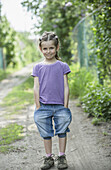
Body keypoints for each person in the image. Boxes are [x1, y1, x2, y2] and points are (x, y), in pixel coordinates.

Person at [31, 31, 72, 170]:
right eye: (45, 48)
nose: (48, 51)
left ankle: (61, 156)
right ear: (41, 49)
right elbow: (36, 87)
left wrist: (65, 105)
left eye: (51, 48)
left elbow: (66, 86)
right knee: (46, 132)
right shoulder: (38, 67)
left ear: (57, 47)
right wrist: (38, 106)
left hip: (60, 106)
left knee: (62, 130)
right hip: (44, 106)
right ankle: (48, 157)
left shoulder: (63, 66)